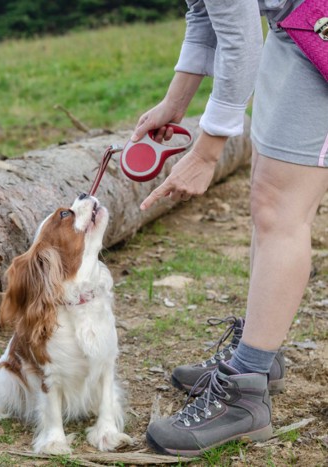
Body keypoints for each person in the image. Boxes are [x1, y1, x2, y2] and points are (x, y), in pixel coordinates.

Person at [131, 0, 328, 457]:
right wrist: (174, 102)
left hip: (318, 25)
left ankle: (244, 394)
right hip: (294, 23)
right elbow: (207, 13)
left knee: (283, 211)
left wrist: (205, 151)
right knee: (268, 198)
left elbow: (241, 41)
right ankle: (260, 353)